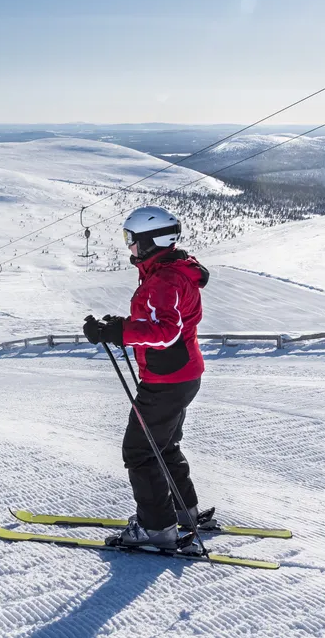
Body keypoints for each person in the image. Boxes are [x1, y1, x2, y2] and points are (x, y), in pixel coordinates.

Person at [83, 206, 210, 551]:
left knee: (139, 450)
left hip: (167, 379)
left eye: (132, 239)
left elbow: (166, 331)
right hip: (182, 373)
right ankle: (184, 513)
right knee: (162, 445)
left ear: (152, 241)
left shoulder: (164, 279)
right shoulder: (172, 270)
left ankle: (157, 529)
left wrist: (120, 332)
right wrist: (118, 327)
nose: (129, 246)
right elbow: (159, 320)